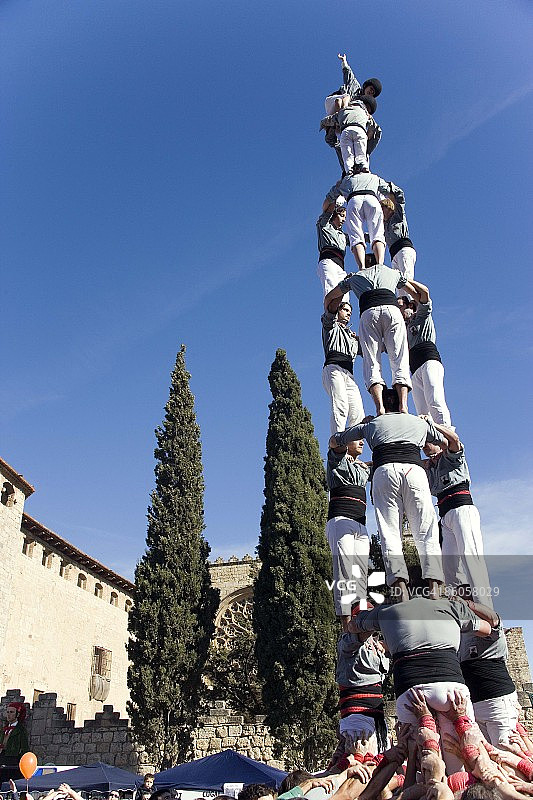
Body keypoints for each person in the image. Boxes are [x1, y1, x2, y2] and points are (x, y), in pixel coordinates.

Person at [349, 595, 493, 773]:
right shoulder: (451, 606)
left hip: (411, 689)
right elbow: (487, 628)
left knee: (421, 764)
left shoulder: (386, 611)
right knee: (458, 760)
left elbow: (353, 626)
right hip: (450, 687)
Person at [329, 388, 446, 599]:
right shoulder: (416, 422)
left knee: (390, 532)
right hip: (414, 470)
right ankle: (435, 585)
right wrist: (426, 424)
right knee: (426, 529)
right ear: (402, 401)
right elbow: (444, 442)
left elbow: (337, 440)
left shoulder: (373, 424)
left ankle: (399, 587)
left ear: (381, 404)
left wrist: (362, 425)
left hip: (385, 471)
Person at [324, 270, 428, 415]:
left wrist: (345, 286)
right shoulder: (392, 272)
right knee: (399, 359)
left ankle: (380, 408)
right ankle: (403, 406)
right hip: (392, 312)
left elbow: (330, 297)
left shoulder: (356, 277)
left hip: (368, 312)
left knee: (371, 362)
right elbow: (416, 295)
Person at [422, 422, 492, 602]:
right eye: (423, 442)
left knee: (471, 559)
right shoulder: (429, 467)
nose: (425, 445)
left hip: (462, 509)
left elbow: (454, 440)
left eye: (429, 440)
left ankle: (488, 613)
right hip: (445, 516)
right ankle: (464, 614)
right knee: (450, 571)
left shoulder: (451, 457)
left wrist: (432, 424)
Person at [458, 596, 519, 749]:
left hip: (497, 702)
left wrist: (468, 604)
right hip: (475, 705)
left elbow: (494, 619)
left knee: (507, 752)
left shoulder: (492, 628)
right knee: (487, 758)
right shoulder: (461, 634)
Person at [326, 438, 370, 627]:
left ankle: (360, 622)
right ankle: (347, 624)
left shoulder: (361, 469)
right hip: (341, 519)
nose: (361, 443)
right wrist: (355, 429)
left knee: (360, 574)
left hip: (360, 524)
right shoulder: (337, 462)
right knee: (344, 571)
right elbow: (334, 444)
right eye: (357, 440)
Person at [336, 605, 389, 755]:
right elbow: (356, 635)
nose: (367, 621)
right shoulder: (347, 642)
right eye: (363, 617)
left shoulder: (378, 644)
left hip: (377, 718)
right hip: (357, 718)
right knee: (359, 770)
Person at [397, 284, 452, 426]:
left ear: (410, 305)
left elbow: (424, 292)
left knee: (435, 399)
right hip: (414, 370)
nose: (398, 311)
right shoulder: (402, 329)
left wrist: (404, 280)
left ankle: (448, 434)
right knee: (422, 414)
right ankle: (432, 444)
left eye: (400, 307)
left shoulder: (422, 315)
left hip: (429, 361)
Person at [324, 54, 382, 172]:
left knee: (345, 148)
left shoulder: (365, 108)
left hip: (348, 127)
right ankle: (340, 119)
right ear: (366, 87)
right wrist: (344, 61)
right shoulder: (355, 88)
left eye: (372, 93)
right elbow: (348, 75)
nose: (370, 93)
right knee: (346, 97)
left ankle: (349, 171)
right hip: (336, 105)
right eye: (370, 90)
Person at [324, 172, 390, 268]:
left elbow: (329, 199)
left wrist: (325, 210)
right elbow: (388, 190)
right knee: (377, 234)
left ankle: (361, 267)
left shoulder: (346, 180)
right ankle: (380, 264)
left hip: (354, 200)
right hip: (372, 199)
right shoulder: (373, 177)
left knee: (356, 236)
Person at [322, 301, 365, 434]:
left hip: (349, 373)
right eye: (345, 310)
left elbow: (371, 349)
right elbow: (329, 312)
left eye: (350, 312)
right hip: (334, 368)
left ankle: (353, 446)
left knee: (358, 411)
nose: (348, 314)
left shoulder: (352, 337)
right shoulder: (331, 327)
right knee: (341, 405)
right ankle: (337, 443)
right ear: (339, 311)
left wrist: (359, 338)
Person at [320, 93, 378, 175]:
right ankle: (364, 167)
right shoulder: (366, 114)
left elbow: (332, 119)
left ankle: (349, 170)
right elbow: (373, 128)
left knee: (347, 154)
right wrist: (368, 136)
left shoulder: (344, 110)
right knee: (360, 152)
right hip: (360, 131)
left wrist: (323, 123)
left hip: (346, 131)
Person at [379, 183, 416, 283]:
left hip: (403, 249)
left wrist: (389, 187)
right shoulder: (384, 227)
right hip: (394, 254)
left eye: (382, 208)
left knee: (406, 277)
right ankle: (401, 298)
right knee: (398, 281)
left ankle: (410, 298)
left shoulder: (397, 216)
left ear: (388, 207)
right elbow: (373, 237)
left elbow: (400, 197)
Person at [317, 199, 350, 298]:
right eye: (342, 216)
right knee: (331, 289)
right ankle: (330, 313)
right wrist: (335, 201)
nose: (344, 220)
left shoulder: (343, 236)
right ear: (335, 214)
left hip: (340, 265)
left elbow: (358, 237)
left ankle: (342, 312)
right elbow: (327, 212)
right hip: (328, 260)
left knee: (344, 295)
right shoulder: (324, 226)